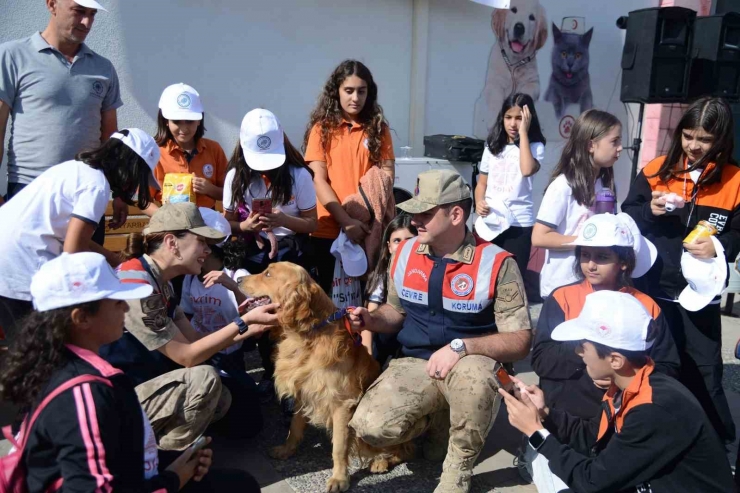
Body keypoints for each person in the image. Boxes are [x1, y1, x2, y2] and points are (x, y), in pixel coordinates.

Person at [0, 252, 261, 492]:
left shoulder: (62, 364)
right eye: (116, 303)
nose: (126, 308)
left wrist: (175, 463)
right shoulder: (83, 395)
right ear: (82, 318)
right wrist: (173, 479)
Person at [347, 169, 532, 493]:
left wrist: (461, 348)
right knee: (370, 426)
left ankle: (456, 474)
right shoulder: (403, 253)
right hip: (418, 362)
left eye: (426, 213)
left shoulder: (497, 262)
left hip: (473, 361)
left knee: (474, 383)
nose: (415, 219)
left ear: (456, 214)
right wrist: (372, 319)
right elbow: (395, 312)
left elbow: (520, 341)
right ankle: (439, 421)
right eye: (415, 211)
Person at [500, 290, 734, 493]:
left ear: (615, 360)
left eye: (583, 345)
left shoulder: (654, 408)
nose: (579, 353)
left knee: (552, 463)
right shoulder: (630, 386)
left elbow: (592, 482)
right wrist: (545, 414)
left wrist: (535, 432)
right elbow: (593, 436)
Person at [100, 202, 280, 449]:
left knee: (230, 398)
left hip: (137, 385)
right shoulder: (136, 285)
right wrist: (243, 322)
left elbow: (194, 340)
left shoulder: (160, 280)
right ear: (172, 243)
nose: (208, 250)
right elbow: (187, 357)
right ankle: (162, 466)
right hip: (109, 403)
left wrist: (249, 329)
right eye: (201, 242)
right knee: (204, 380)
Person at [528, 213, 680, 492]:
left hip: (623, 422)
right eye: (585, 255)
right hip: (568, 417)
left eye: (602, 257)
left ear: (624, 261)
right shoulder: (562, 298)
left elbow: (668, 366)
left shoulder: (646, 306)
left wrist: (623, 378)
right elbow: (541, 359)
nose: (590, 265)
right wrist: (590, 356)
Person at [622, 96, 739, 447]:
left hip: (699, 295)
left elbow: (737, 231)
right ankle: (650, 441)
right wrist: (650, 211)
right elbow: (629, 214)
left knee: (705, 374)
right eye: (688, 136)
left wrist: (720, 246)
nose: (693, 146)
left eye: (704, 139)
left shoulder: (734, 180)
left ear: (721, 139)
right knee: (650, 368)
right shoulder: (656, 169)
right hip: (652, 288)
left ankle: (719, 448)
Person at [0, 128, 158, 344]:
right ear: (130, 166)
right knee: (38, 356)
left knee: (27, 355)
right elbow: (73, 252)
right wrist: (112, 280)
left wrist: (117, 262)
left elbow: (76, 239)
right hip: (21, 268)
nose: (134, 185)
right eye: (138, 177)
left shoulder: (76, 169)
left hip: (9, 260)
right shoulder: (96, 186)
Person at [0, 0, 129, 239]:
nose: (86, 22)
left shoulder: (103, 68)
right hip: (29, 189)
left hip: (86, 194)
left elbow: (110, 140)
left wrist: (120, 192)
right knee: (28, 275)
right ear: (51, 4)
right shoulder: (12, 56)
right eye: (79, 11)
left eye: (92, 14)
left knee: (83, 273)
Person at [303, 59, 395, 294]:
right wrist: (346, 221)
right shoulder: (321, 129)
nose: (355, 98)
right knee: (328, 302)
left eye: (361, 91)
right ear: (336, 91)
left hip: (367, 229)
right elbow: (318, 180)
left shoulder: (378, 129)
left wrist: (361, 220)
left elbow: (386, 177)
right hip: (328, 230)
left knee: (365, 302)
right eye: (349, 90)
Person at [531, 109, 622, 300]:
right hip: (562, 286)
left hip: (593, 288)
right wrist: (585, 242)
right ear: (591, 145)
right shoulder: (563, 185)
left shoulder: (604, 185)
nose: (620, 148)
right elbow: (539, 237)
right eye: (614, 142)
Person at [224, 108, 317, 273]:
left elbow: (312, 223)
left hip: (291, 255)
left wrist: (284, 220)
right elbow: (227, 223)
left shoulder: (299, 175)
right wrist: (245, 226)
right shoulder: (235, 176)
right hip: (252, 254)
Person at [474, 93, 546, 277]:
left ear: (529, 119)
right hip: (490, 221)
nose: (513, 124)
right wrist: (479, 202)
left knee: (512, 279)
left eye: (519, 118)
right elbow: (482, 183)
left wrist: (523, 134)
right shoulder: (492, 145)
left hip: (519, 223)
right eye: (508, 117)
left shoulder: (535, 146)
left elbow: (527, 169)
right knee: (484, 276)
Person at [146, 83, 227, 213]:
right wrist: (163, 219)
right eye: (176, 121)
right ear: (166, 121)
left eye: (190, 121)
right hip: (169, 223)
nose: (184, 129)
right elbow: (144, 200)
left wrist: (209, 189)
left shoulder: (214, 149)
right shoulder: (154, 153)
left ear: (199, 120)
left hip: (208, 224)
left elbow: (230, 195)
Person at [363, 213, 417, 359]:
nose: (402, 245)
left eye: (409, 240)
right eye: (397, 241)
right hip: (388, 339)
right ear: (389, 247)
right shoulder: (382, 275)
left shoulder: (422, 271)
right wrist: (367, 356)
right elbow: (370, 317)